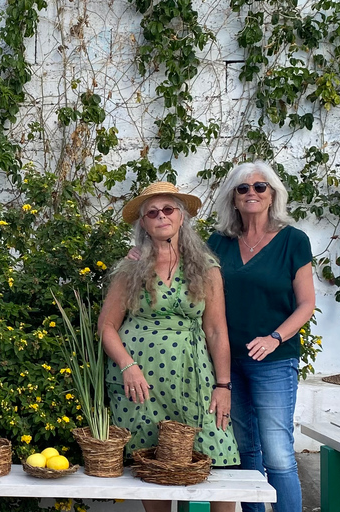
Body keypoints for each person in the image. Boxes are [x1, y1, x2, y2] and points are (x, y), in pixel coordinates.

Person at [99, 182, 239, 512]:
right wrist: (127, 366)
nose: (161, 216)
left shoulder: (206, 267)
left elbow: (217, 331)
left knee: (220, 461)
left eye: (168, 209)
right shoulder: (130, 268)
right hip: (140, 387)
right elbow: (106, 327)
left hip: (194, 379)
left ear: (181, 217)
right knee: (153, 471)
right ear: (144, 224)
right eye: (152, 212)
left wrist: (223, 385)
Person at [208, 161, 315, 512]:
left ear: (272, 195)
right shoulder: (218, 243)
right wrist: (138, 254)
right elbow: (178, 261)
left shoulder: (293, 241)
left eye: (260, 187)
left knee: (279, 453)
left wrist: (274, 337)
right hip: (227, 364)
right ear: (233, 199)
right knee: (245, 450)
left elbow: (306, 305)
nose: (251, 193)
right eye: (242, 188)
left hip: (273, 362)